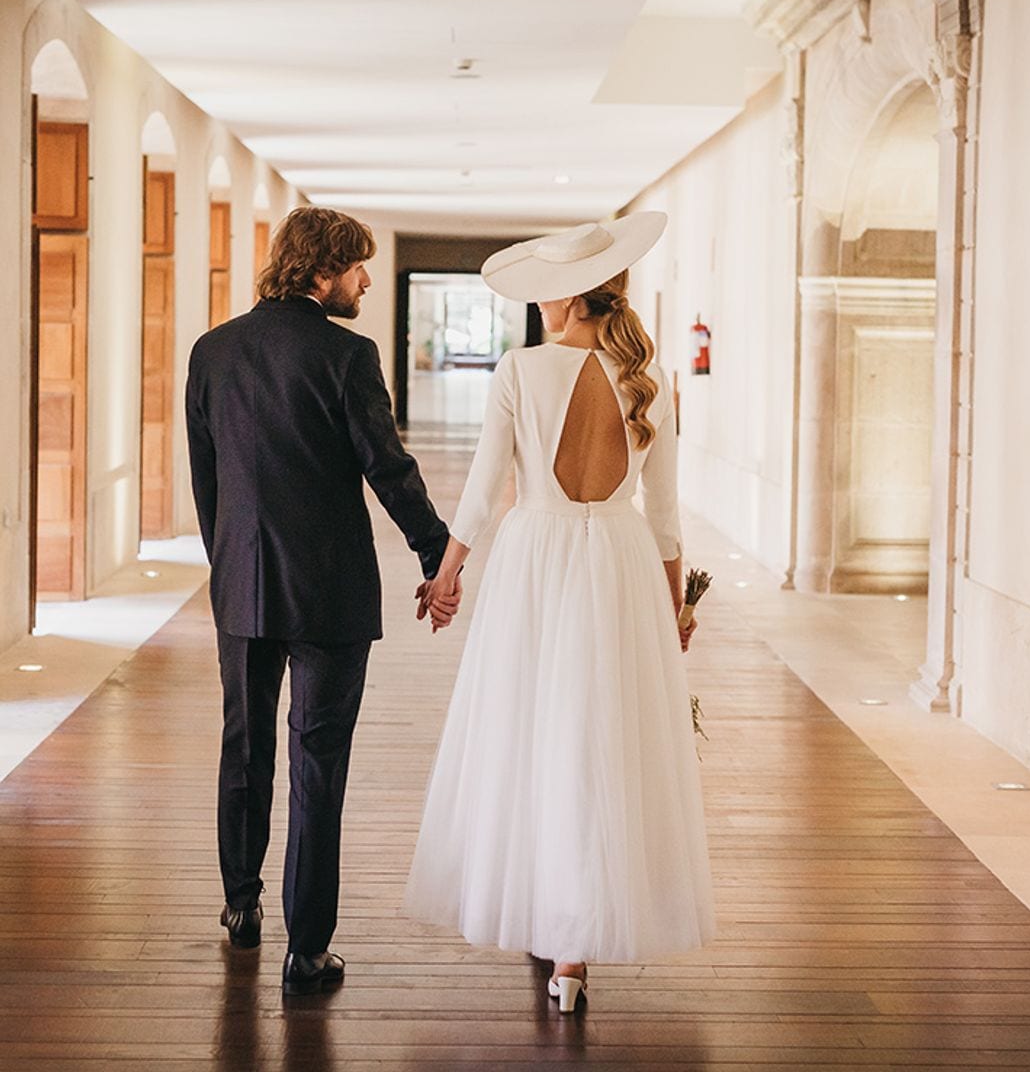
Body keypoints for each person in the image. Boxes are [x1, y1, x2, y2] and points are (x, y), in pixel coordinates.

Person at [405, 212, 715, 1013]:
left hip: (535, 560)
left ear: (576, 297)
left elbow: (479, 497)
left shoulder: (519, 370)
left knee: (533, 733)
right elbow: (667, 515)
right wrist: (676, 604)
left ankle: (549, 912)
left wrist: (446, 579)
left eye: (549, 294)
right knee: (598, 739)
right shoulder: (649, 382)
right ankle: (572, 957)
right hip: (618, 563)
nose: (540, 305)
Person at [185, 206, 459, 996]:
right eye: (357, 267)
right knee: (318, 762)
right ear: (320, 269)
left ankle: (241, 908)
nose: (367, 280)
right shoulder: (348, 354)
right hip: (330, 590)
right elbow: (387, 466)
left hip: (244, 580)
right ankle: (307, 950)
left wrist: (231, 562)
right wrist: (435, 551)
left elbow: (208, 482)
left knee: (244, 746)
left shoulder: (214, 351)